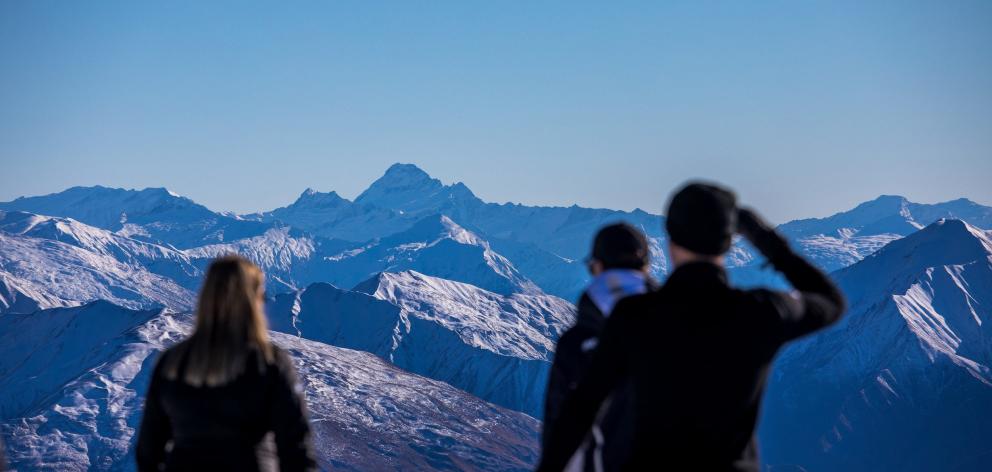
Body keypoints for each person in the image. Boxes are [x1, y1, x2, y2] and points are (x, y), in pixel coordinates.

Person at [538, 182, 846, 471]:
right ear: (727, 243)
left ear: (670, 242)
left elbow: (581, 409)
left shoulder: (634, 316)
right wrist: (767, 241)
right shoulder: (761, 313)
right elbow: (830, 301)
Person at [136, 255, 316, 472]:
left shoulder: (173, 362)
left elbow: (148, 450)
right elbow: (295, 445)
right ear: (253, 300)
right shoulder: (268, 362)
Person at [543, 223, 656, 471]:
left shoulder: (578, 343)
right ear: (646, 267)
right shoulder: (681, 329)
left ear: (597, 267)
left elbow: (559, 428)